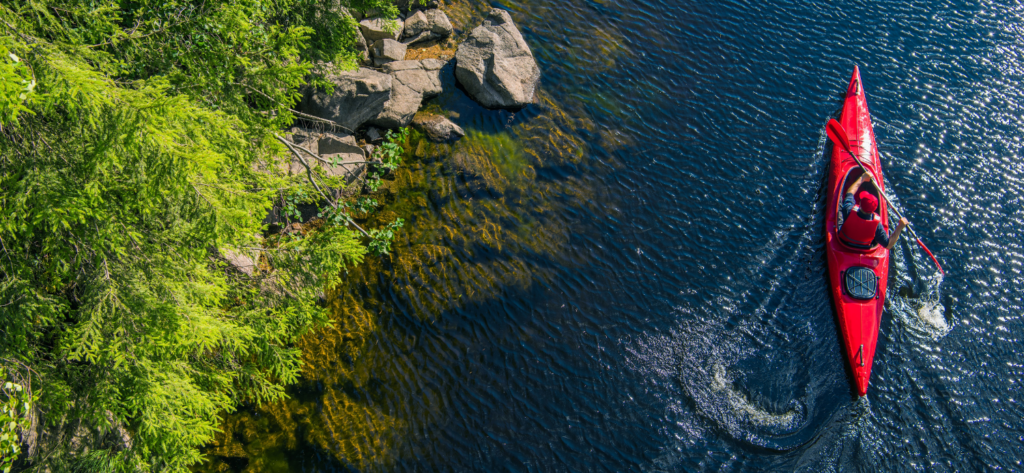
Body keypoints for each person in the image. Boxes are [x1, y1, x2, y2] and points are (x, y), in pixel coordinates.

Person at [839, 172, 908, 250]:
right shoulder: (877, 225)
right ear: (875, 209)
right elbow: (888, 245)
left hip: (844, 242)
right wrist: (900, 227)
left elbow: (850, 192)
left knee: (841, 212)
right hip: (864, 247)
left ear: (860, 203)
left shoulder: (849, 210)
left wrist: (862, 178)